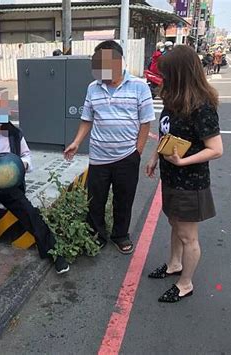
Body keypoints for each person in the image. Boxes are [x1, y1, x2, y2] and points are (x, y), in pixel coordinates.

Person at [145, 45, 223, 303]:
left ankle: (185, 283)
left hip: (191, 183)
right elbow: (167, 133)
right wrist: (156, 155)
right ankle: (174, 264)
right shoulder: (173, 99)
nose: (163, 78)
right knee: (174, 224)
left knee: (188, 236)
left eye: (167, 73)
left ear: (181, 73)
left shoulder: (202, 107)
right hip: (171, 178)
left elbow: (216, 149)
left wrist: (183, 161)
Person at [64, 40, 156, 254]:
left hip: (127, 156)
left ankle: (120, 235)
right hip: (99, 156)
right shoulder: (93, 88)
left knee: (124, 200)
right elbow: (87, 118)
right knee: (95, 200)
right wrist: (76, 142)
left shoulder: (139, 86)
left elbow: (146, 122)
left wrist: (138, 152)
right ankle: (96, 235)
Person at [0, 92, 70, 274]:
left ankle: (53, 251)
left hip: (9, 183)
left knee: (28, 211)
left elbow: (27, 156)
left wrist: (22, 164)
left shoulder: (14, 134)